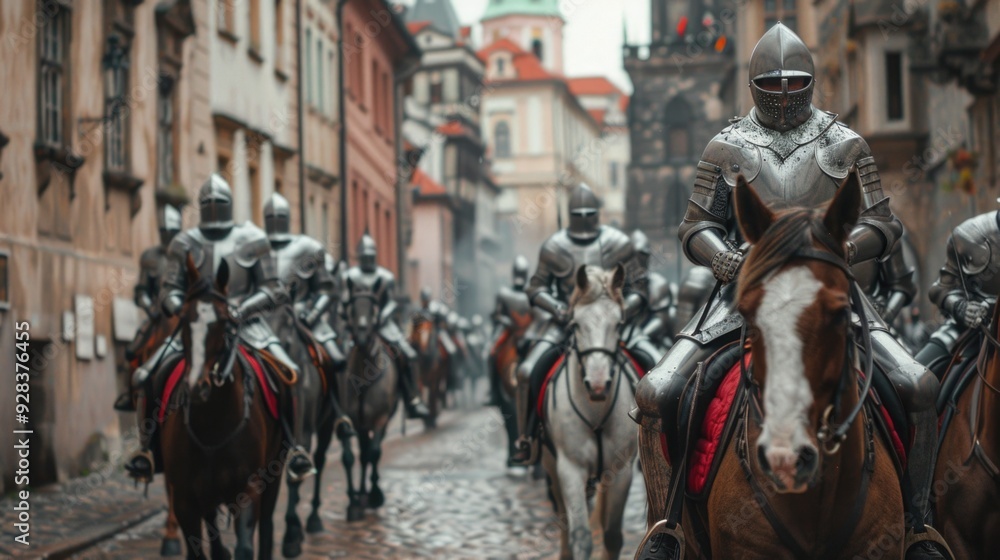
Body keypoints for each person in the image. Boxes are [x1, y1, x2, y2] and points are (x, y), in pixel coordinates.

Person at [632, 23, 948, 560]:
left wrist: (840, 250)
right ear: (755, 86)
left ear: (809, 82)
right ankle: (669, 528)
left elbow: (884, 223)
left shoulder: (844, 143)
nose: (782, 95)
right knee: (658, 393)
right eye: (772, 85)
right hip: (741, 303)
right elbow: (694, 227)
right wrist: (728, 257)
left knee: (918, 386)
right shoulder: (725, 146)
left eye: (792, 83)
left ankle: (917, 523)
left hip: (830, 298)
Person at [124, 174, 315, 483]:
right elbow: (169, 289)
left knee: (290, 373)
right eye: (208, 203)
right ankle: (147, 451)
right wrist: (182, 309)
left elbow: (271, 289)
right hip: (198, 326)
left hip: (248, 325)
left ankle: (295, 450)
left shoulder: (252, 238)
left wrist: (241, 309)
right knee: (146, 374)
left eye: (218, 203)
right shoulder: (184, 242)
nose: (213, 208)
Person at [511, 182, 659, 465]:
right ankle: (526, 437)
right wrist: (558, 308)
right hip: (567, 323)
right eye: (578, 214)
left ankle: (660, 440)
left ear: (596, 213)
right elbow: (536, 288)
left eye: (588, 213)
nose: (583, 219)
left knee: (658, 370)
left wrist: (620, 311)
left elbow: (640, 287)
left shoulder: (618, 242)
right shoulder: (554, 246)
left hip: (617, 323)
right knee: (527, 372)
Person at [263, 193, 353, 440]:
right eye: (271, 217)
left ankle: (341, 414)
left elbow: (326, 289)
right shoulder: (254, 248)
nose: (275, 221)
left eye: (279, 217)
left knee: (336, 358)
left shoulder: (308, 249)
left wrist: (311, 314)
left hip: (306, 318)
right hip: (264, 321)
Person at [341, 234, 430, 419]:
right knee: (336, 357)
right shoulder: (349, 276)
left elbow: (391, 303)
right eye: (364, 256)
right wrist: (350, 319)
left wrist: (380, 317)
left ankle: (412, 399)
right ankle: (335, 408)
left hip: (382, 325)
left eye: (370, 256)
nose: (367, 260)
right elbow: (344, 301)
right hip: (356, 326)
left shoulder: (385, 276)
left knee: (408, 354)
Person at [916, 209, 1000, 378]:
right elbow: (939, 289)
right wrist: (961, 307)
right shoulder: (969, 236)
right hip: (966, 328)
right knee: (914, 382)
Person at [115, 204, 182, 411]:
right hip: (157, 316)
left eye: (171, 231)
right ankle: (129, 393)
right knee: (133, 350)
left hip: (182, 314)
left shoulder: (187, 254)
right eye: (164, 231)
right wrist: (149, 308)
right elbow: (141, 291)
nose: (168, 235)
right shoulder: (150, 257)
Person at [486, 257, 533, 406]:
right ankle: (493, 392)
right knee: (492, 352)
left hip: (530, 331)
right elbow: (497, 314)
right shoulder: (504, 293)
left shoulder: (532, 293)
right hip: (509, 330)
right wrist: (508, 322)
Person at [630, 230, 675, 350]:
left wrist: (640, 337)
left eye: (641, 255)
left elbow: (661, 320)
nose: (637, 261)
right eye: (633, 256)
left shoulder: (657, 283)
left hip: (651, 338)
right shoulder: (622, 283)